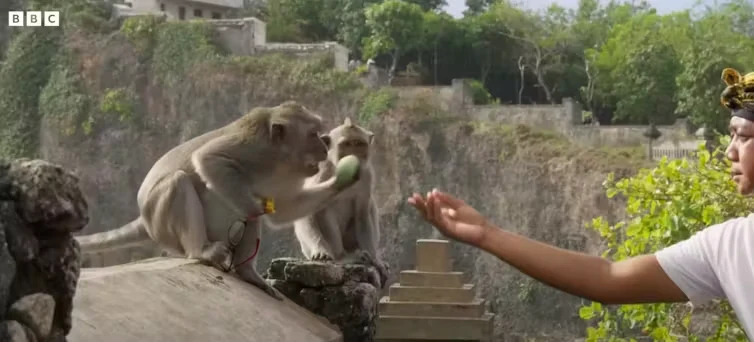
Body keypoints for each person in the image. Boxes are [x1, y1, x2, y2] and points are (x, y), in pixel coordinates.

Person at [407, 68, 754, 338]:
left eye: (745, 136)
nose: (729, 150)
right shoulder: (729, 246)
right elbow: (608, 278)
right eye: (731, 134)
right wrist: (486, 234)